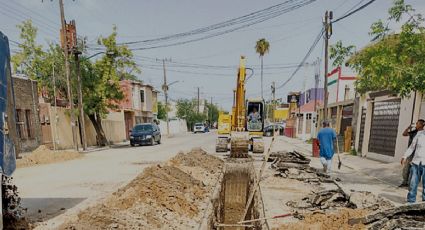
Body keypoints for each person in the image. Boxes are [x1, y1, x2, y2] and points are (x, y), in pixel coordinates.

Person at [401, 119, 425, 203]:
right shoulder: (418, 134)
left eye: (418, 123)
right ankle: (411, 201)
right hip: (416, 162)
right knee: (413, 183)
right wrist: (404, 156)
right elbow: (411, 147)